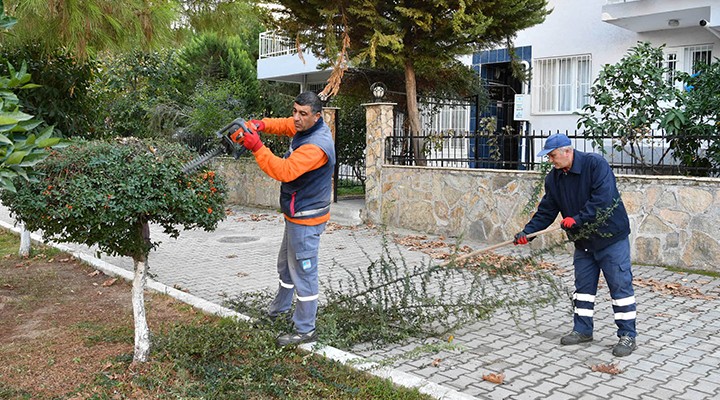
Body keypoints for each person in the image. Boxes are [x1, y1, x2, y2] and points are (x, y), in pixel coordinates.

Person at [513, 133, 637, 357]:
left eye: (553, 155)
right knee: (583, 289)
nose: (551, 160)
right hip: (584, 242)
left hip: (611, 238)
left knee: (620, 287)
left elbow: (604, 199)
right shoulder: (554, 178)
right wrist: (528, 233)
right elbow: (547, 210)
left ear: (567, 151)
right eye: (549, 157)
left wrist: (577, 219)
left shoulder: (595, 165)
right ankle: (582, 330)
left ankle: (627, 335)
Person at [236, 91, 335, 346]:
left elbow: (284, 171)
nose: (296, 118)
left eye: (303, 114)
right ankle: (278, 311)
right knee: (286, 267)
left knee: (304, 273)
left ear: (317, 116)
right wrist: (260, 125)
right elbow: (283, 124)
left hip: (307, 218)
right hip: (295, 213)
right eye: (295, 111)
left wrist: (257, 146)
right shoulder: (305, 127)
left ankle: (305, 330)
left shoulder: (316, 145)